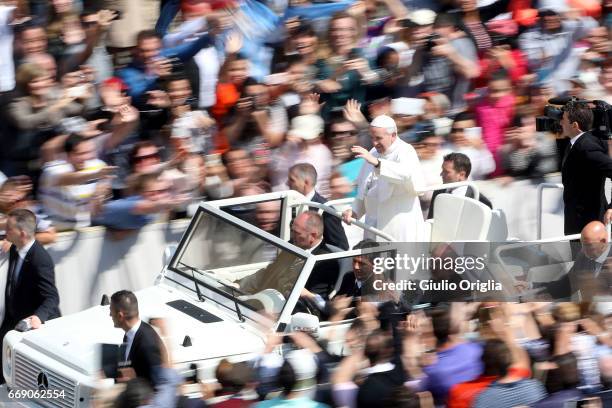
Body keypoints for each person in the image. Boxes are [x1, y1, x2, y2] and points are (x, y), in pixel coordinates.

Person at [342, 115, 425, 242]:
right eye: (372, 138)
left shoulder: (406, 151)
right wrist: (354, 212)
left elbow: (406, 175)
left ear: (393, 135)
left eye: (379, 138)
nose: (374, 143)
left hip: (399, 226)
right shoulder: (373, 152)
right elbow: (365, 189)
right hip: (373, 225)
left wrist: (377, 164)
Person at [1, 209, 60, 383]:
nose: (5, 232)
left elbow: (52, 297)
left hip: (31, 326)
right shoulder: (15, 249)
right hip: (12, 320)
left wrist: (38, 317)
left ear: (22, 233)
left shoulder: (40, 260)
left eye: (9, 229)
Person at [239, 211, 339, 300]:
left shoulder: (325, 262)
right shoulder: (293, 245)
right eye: (292, 231)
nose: (292, 236)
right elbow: (269, 272)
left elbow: (314, 301)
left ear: (313, 235)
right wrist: (239, 285)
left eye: (297, 233)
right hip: (262, 298)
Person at [559, 102, 612, 236]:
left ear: (575, 125)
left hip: (589, 224)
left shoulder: (587, 147)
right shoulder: (574, 143)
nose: (560, 123)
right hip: (576, 222)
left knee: (592, 258)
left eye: (563, 120)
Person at [535, 221, 612, 300]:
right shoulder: (583, 257)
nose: (584, 250)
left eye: (588, 245)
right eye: (582, 244)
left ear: (603, 242)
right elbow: (567, 284)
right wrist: (533, 286)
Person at [109, 290, 165, 388]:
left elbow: (157, 384)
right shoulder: (129, 334)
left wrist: (131, 380)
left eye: (111, 311)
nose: (110, 315)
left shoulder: (147, 343)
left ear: (120, 316)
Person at [287, 163, 349, 250]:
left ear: (306, 182)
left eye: (292, 180)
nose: (287, 183)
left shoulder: (325, 210)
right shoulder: (291, 204)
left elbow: (340, 246)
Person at [427, 152, 492, 220]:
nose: (441, 174)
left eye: (446, 172)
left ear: (462, 175)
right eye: (442, 170)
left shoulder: (480, 200)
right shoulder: (438, 192)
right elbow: (431, 220)